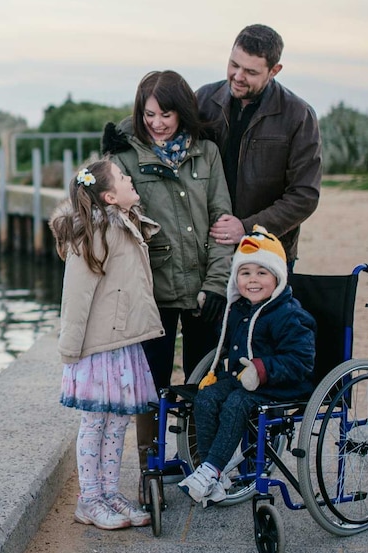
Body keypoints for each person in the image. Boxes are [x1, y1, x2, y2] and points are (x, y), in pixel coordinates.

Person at [101, 70, 235, 472]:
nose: (157, 123)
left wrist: (216, 286)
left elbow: (222, 223)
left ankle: (199, 463)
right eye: (149, 114)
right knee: (151, 387)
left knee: (204, 384)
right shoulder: (124, 158)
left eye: (166, 114)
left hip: (202, 292)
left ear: (183, 111)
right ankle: (151, 468)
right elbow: (111, 222)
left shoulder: (207, 154)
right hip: (151, 294)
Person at [49, 159, 165, 530]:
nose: (131, 178)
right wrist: (71, 349)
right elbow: (76, 296)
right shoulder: (94, 232)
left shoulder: (127, 224)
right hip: (98, 348)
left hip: (123, 343)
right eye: (123, 176)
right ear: (110, 196)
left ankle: (110, 491)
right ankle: (89, 499)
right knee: (95, 422)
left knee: (118, 423)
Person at [178, 225, 316, 505]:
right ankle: (211, 472)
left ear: (277, 277)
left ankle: (211, 470)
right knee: (206, 398)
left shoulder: (288, 315)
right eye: (245, 273)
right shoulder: (240, 309)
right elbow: (229, 343)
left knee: (236, 404)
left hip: (282, 383)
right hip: (244, 379)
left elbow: (301, 360)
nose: (252, 280)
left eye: (262, 273)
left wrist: (262, 370)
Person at [197, 24, 322, 271]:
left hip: (267, 253)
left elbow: (304, 195)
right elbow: (160, 128)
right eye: (234, 64)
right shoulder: (202, 100)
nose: (238, 76)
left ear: (274, 70)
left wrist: (246, 228)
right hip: (205, 247)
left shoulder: (298, 115)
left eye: (251, 71)